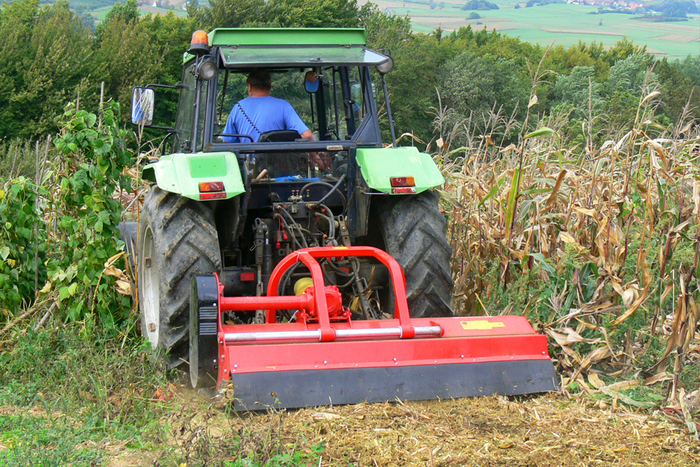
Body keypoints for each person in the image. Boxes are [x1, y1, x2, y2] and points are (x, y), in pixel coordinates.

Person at [221, 69, 314, 143]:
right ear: (269, 87)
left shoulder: (238, 108)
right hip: (278, 161)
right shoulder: (283, 106)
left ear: (250, 86)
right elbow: (307, 135)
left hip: (248, 161)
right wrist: (316, 157)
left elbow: (227, 141)